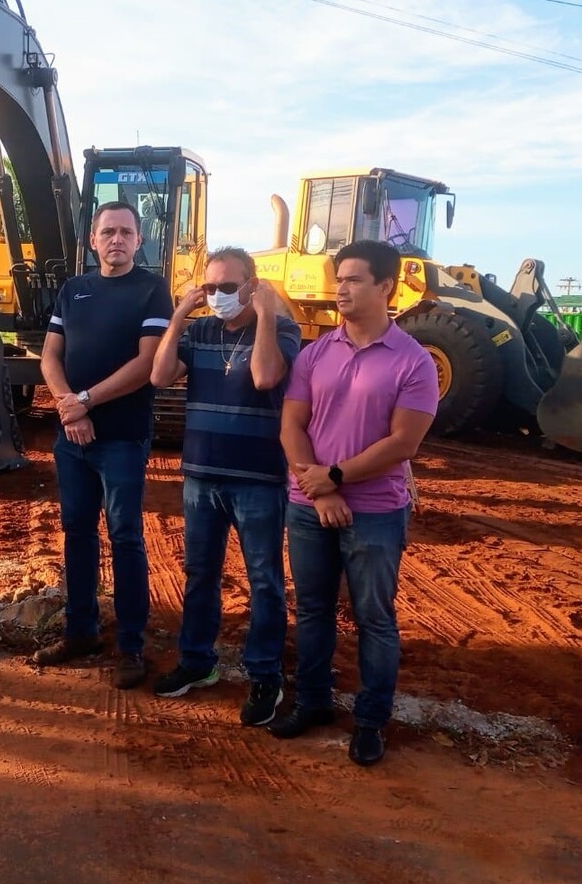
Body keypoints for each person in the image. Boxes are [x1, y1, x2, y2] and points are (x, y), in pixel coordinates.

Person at [272, 239, 438, 767]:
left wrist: (336, 479)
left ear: (386, 287)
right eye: (339, 277)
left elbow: (403, 444)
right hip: (309, 505)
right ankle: (314, 701)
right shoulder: (315, 353)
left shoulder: (415, 363)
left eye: (354, 279)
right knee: (314, 608)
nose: (340, 287)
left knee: (373, 616)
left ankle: (370, 720)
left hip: (375, 511)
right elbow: (291, 425)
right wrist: (319, 489)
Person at [148, 247, 300, 724]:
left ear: (253, 285)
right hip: (202, 476)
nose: (217, 297)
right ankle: (196, 662)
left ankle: (265, 675)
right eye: (210, 288)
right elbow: (157, 375)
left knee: (264, 583)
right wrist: (178, 317)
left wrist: (269, 317)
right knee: (200, 576)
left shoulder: (283, 332)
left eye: (228, 288)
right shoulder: (200, 330)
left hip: (257, 479)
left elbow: (264, 376)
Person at [33, 201, 173, 689]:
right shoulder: (74, 290)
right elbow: (52, 355)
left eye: (126, 232)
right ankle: (81, 631)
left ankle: (131, 645)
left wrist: (85, 402)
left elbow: (147, 364)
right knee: (77, 533)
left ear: (139, 241)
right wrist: (68, 405)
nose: (116, 239)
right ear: (92, 241)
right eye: (107, 231)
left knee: (126, 536)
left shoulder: (153, 290)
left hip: (122, 438)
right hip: (73, 438)